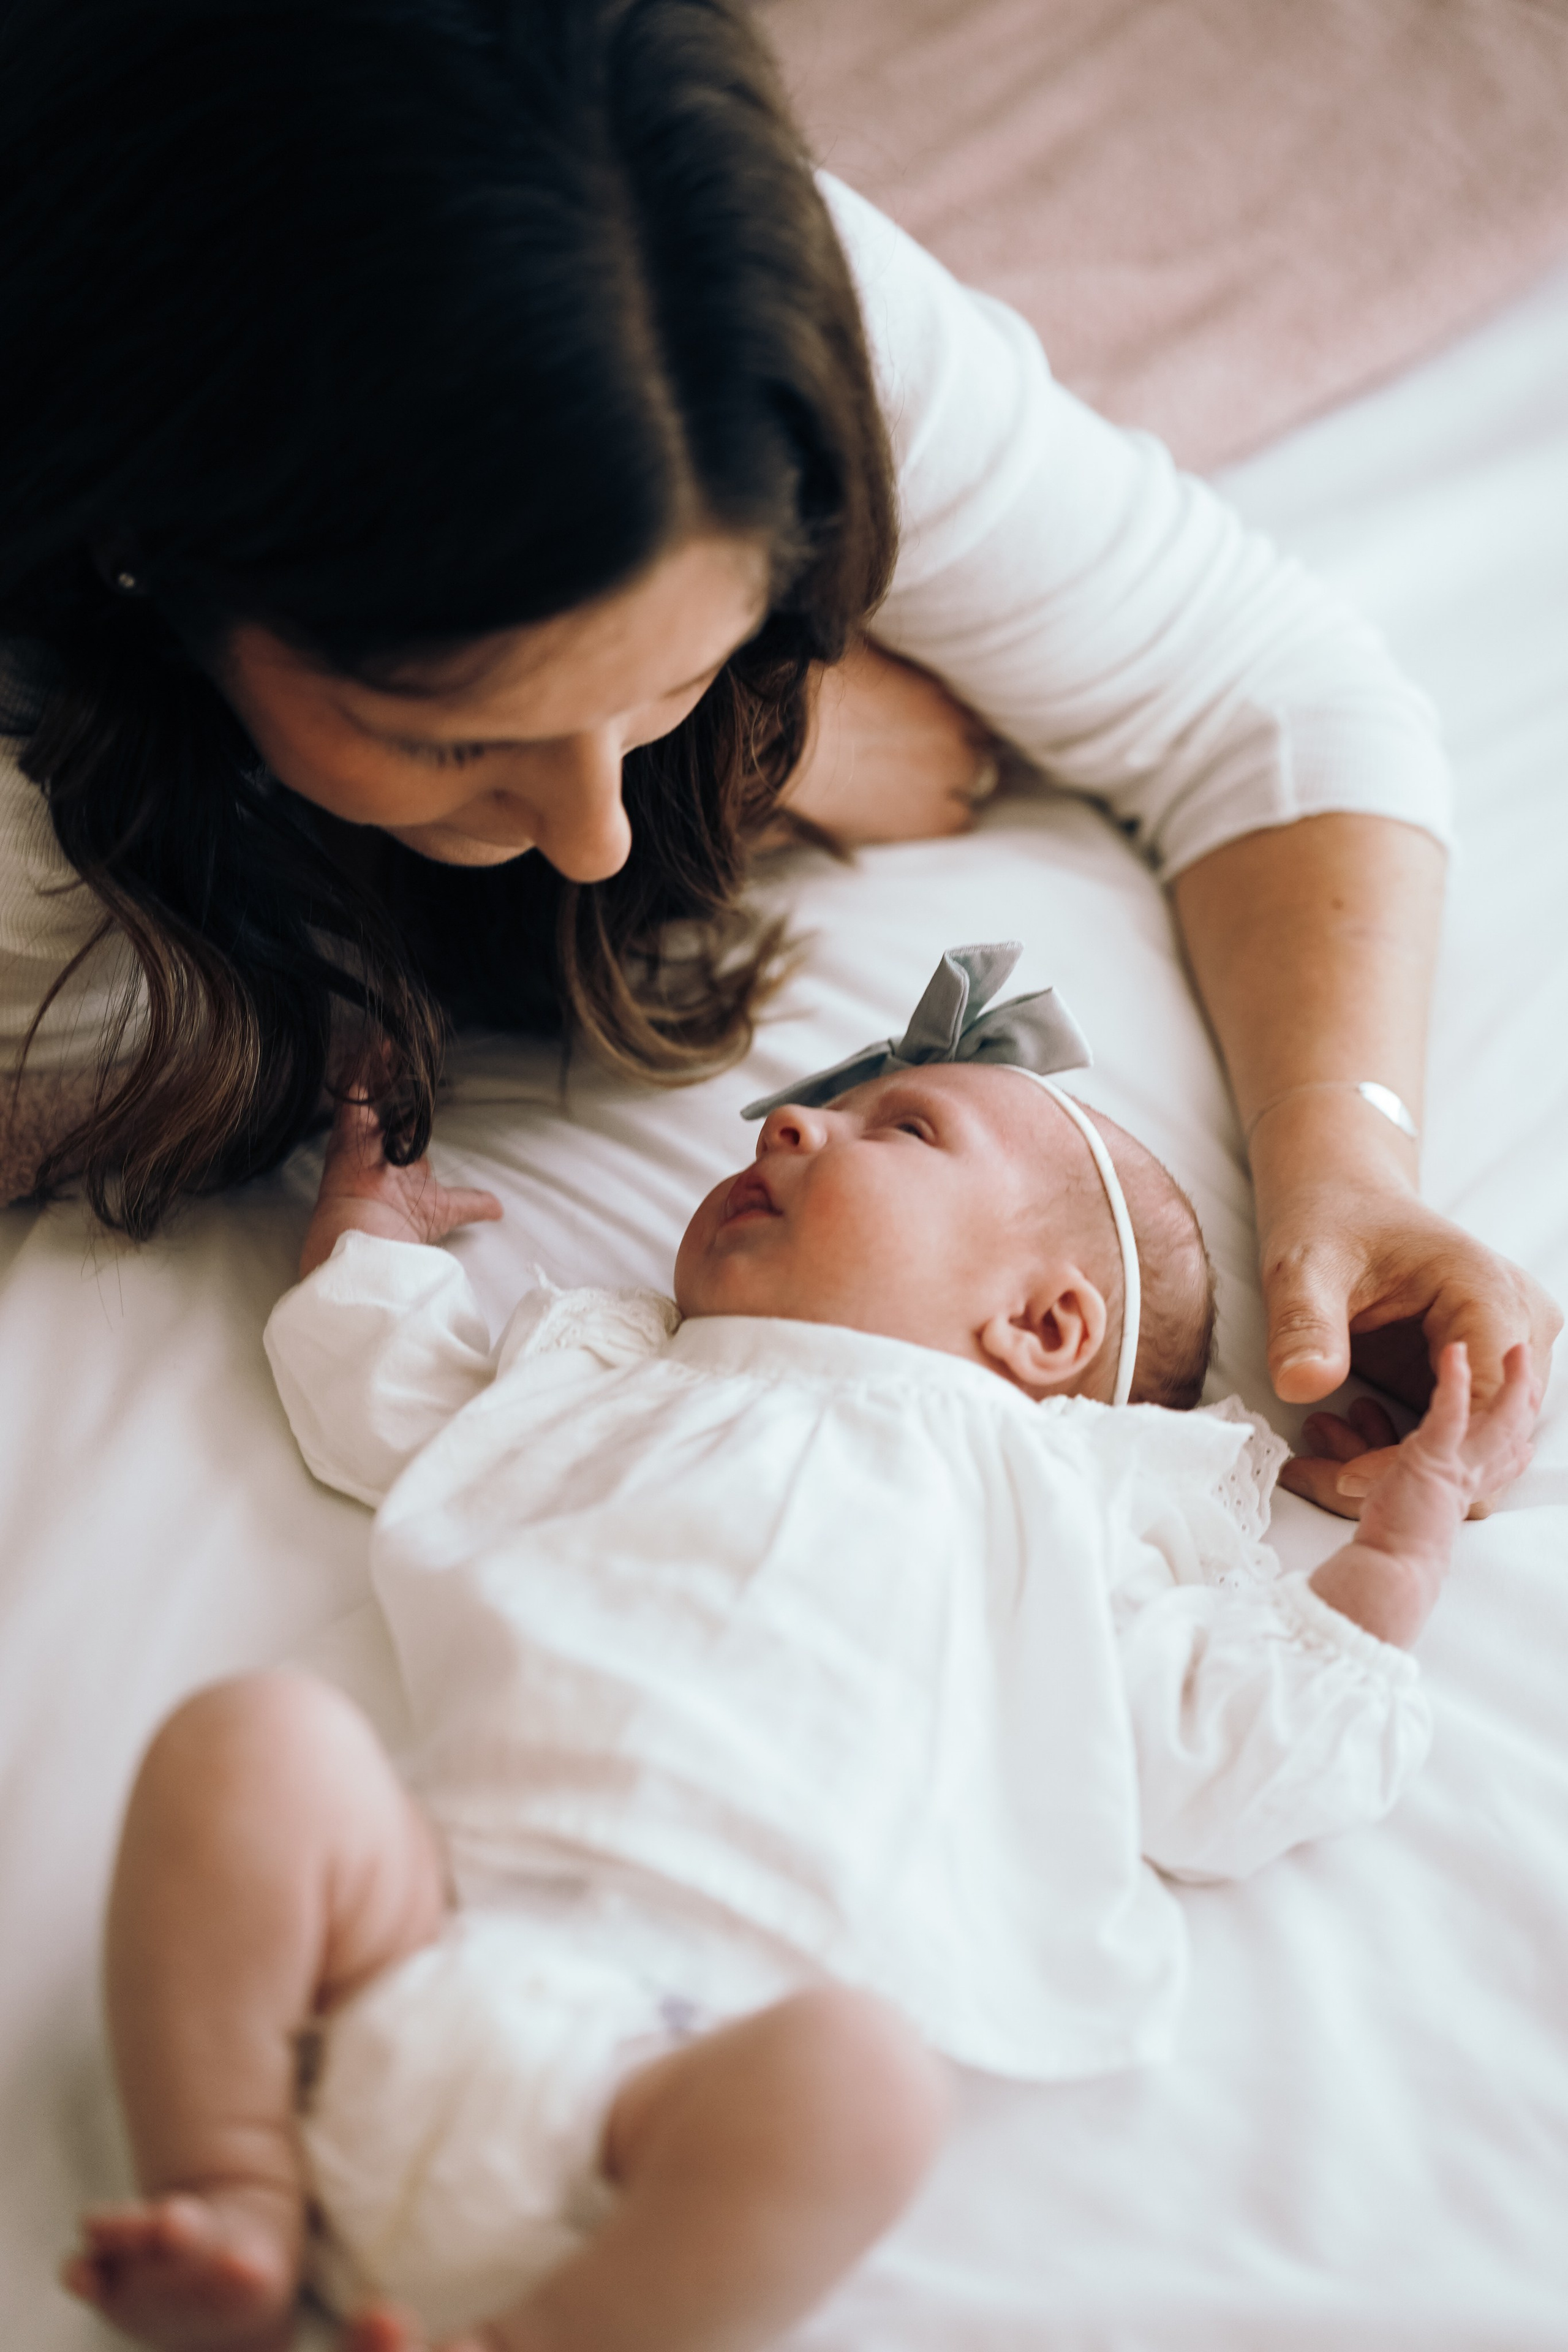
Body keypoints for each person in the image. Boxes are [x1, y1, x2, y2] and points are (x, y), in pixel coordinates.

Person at [0, 0, 1555, 1517]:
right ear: (142, 560)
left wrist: (1346, 1170)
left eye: (679, 672)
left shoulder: (716, 319)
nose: (598, 837)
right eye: (455, 737)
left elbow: (1258, 694)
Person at [63, 1020, 1537, 2351]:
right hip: (417, 1936)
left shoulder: (1073, 1511)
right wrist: (363, 1239)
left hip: (693, 2069)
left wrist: (1403, 1545)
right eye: (805, 1113)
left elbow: (1229, 1753)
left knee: (867, 2088)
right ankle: (235, 2184)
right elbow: (386, 1407)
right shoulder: (607, 1366)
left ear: (1043, 1328)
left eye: (897, 1130)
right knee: (249, 1744)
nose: (784, 1125)